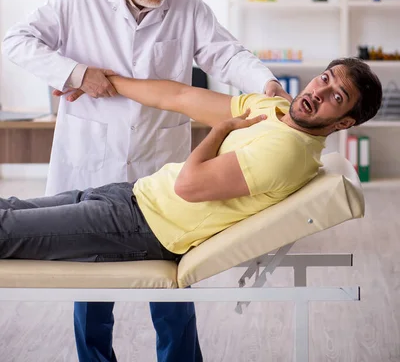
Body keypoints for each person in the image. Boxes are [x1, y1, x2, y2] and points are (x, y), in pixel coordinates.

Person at [1, 0, 290, 362]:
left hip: (160, 166)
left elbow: (225, 53)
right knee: (90, 280)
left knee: (174, 278)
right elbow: (16, 41)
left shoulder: (186, 6)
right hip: (92, 158)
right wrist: (76, 74)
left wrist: (265, 83)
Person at [0, 57, 382, 268]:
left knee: (7, 228)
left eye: (336, 96)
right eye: (325, 79)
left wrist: (221, 130)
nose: (319, 92)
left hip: (144, 228)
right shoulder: (274, 107)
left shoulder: (287, 154)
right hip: (133, 194)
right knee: (11, 208)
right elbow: (179, 96)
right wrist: (100, 82)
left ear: (345, 121)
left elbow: (188, 185)